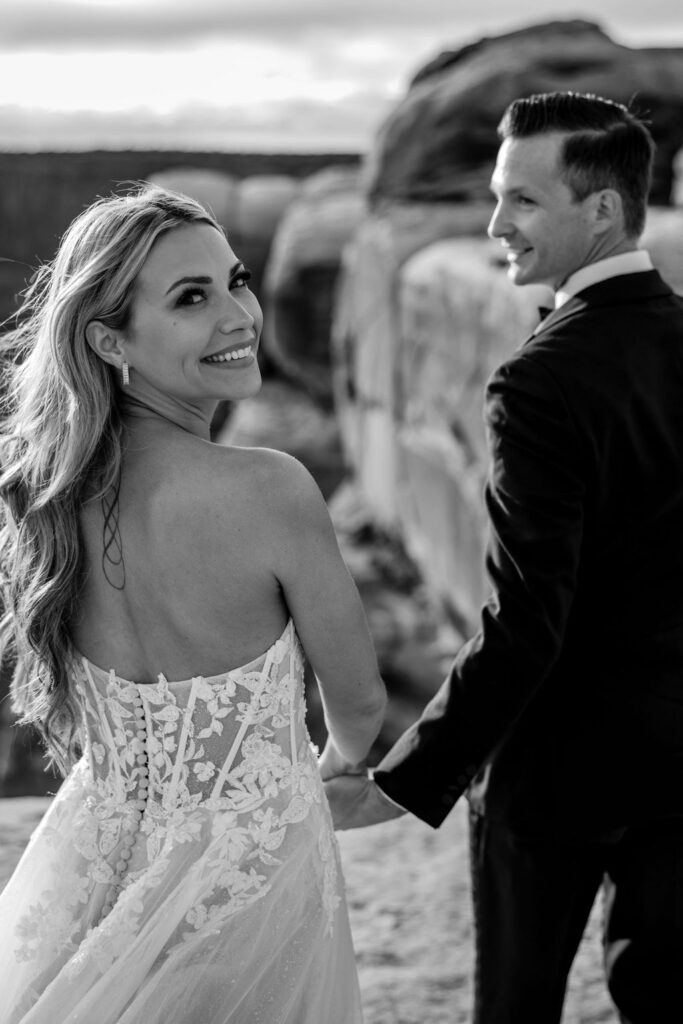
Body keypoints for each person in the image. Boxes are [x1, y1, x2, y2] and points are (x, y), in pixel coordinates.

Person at [325, 91, 683, 1023]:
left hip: (552, 768)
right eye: (496, 197)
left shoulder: (538, 379)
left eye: (523, 200)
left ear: (602, 210)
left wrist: (406, 782)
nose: (495, 226)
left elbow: (525, 617)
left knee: (515, 1008)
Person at [0, 183, 386, 1024]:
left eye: (235, 280)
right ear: (109, 340)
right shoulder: (268, 487)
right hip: (252, 871)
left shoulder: (49, 497)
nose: (238, 313)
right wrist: (331, 768)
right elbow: (356, 699)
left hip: (92, 854)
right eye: (190, 297)